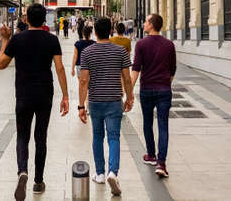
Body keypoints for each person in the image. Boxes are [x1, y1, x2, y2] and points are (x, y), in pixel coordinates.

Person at [0, 4, 69, 201]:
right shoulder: (52, 40)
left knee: (22, 136)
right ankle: (38, 181)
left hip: (23, 95)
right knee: (41, 137)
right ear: (44, 19)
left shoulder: (17, 39)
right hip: (45, 94)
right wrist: (65, 96)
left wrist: (4, 40)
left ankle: (22, 171)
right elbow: (60, 68)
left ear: (26, 19)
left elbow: (1, 64)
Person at [78, 17, 134, 196]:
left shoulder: (87, 52)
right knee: (114, 137)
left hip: (95, 101)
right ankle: (113, 172)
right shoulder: (120, 51)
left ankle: (100, 173)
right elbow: (126, 78)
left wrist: (81, 105)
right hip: (114, 100)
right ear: (110, 31)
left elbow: (84, 81)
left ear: (95, 32)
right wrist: (130, 97)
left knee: (97, 136)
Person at [131, 14, 176, 178]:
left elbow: (136, 69)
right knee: (163, 125)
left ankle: (151, 154)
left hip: (147, 89)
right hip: (164, 89)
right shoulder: (169, 45)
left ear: (151, 25)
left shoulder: (141, 44)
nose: (143, 23)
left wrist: (128, 91)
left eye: (145, 21)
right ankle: (161, 163)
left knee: (147, 122)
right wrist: (165, 83)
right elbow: (172, 70)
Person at [71, 26, 95, 110]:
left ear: (82, 33)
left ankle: (83, 105)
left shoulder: (78, 44)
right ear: (90, 33)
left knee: (82, 86)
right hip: (91, 67)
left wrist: (72, 68)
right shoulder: (94, 43)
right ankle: (88, 105)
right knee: (89, 86)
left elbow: (75, 56)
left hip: (80, 66)